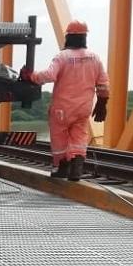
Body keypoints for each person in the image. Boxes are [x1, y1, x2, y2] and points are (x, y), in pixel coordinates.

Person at [21, 20, 109, 181]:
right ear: (84, 37)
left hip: (62, 109)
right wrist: (102, 104)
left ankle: (62, 168)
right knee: (80, 137)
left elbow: (49, 75)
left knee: (59, 138)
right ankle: (77, 169)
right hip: (83, 108)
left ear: (68, 37)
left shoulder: (62, 57)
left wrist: (31, 76)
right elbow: (103, 84)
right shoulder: (94, 58)